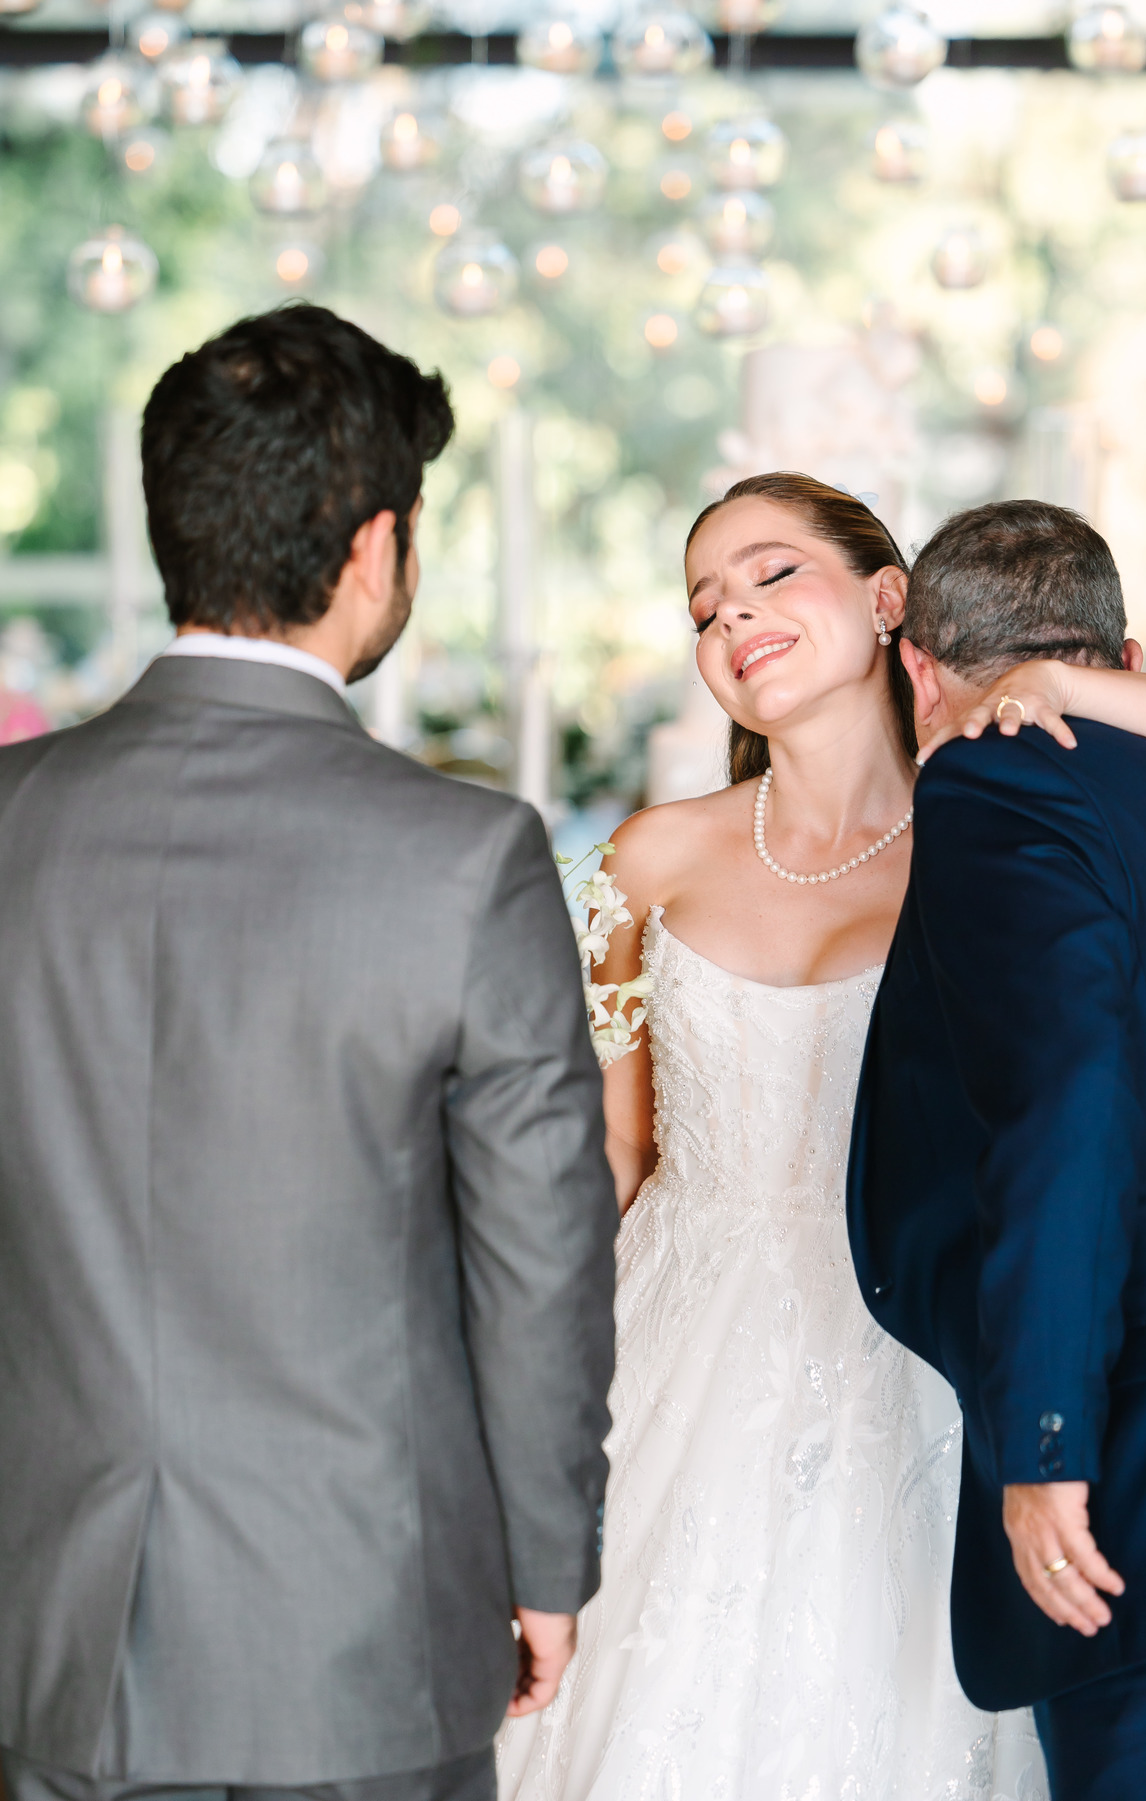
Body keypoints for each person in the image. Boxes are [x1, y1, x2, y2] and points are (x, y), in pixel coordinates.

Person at [0, 304, 618, 1801]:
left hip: (51, 1629)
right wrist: (547, 1557)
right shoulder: (465, 857)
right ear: (371, 549)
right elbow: (539, 1252)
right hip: (358, 1636)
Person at [497, 473, 1047, 1800]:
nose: (733, 613)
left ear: (886, 595)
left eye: (770, 573)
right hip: (671, 1355)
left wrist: (1056, 695)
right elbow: (613, 1165)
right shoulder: (645, 860)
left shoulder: (995, 845)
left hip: (910, 1359)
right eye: (705, 605)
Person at [847, 499, 1146, 1800]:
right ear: (1129, 653)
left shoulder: (1001, 775)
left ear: (917, 668)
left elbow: (1072, 1106)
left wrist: (1048, 1438)